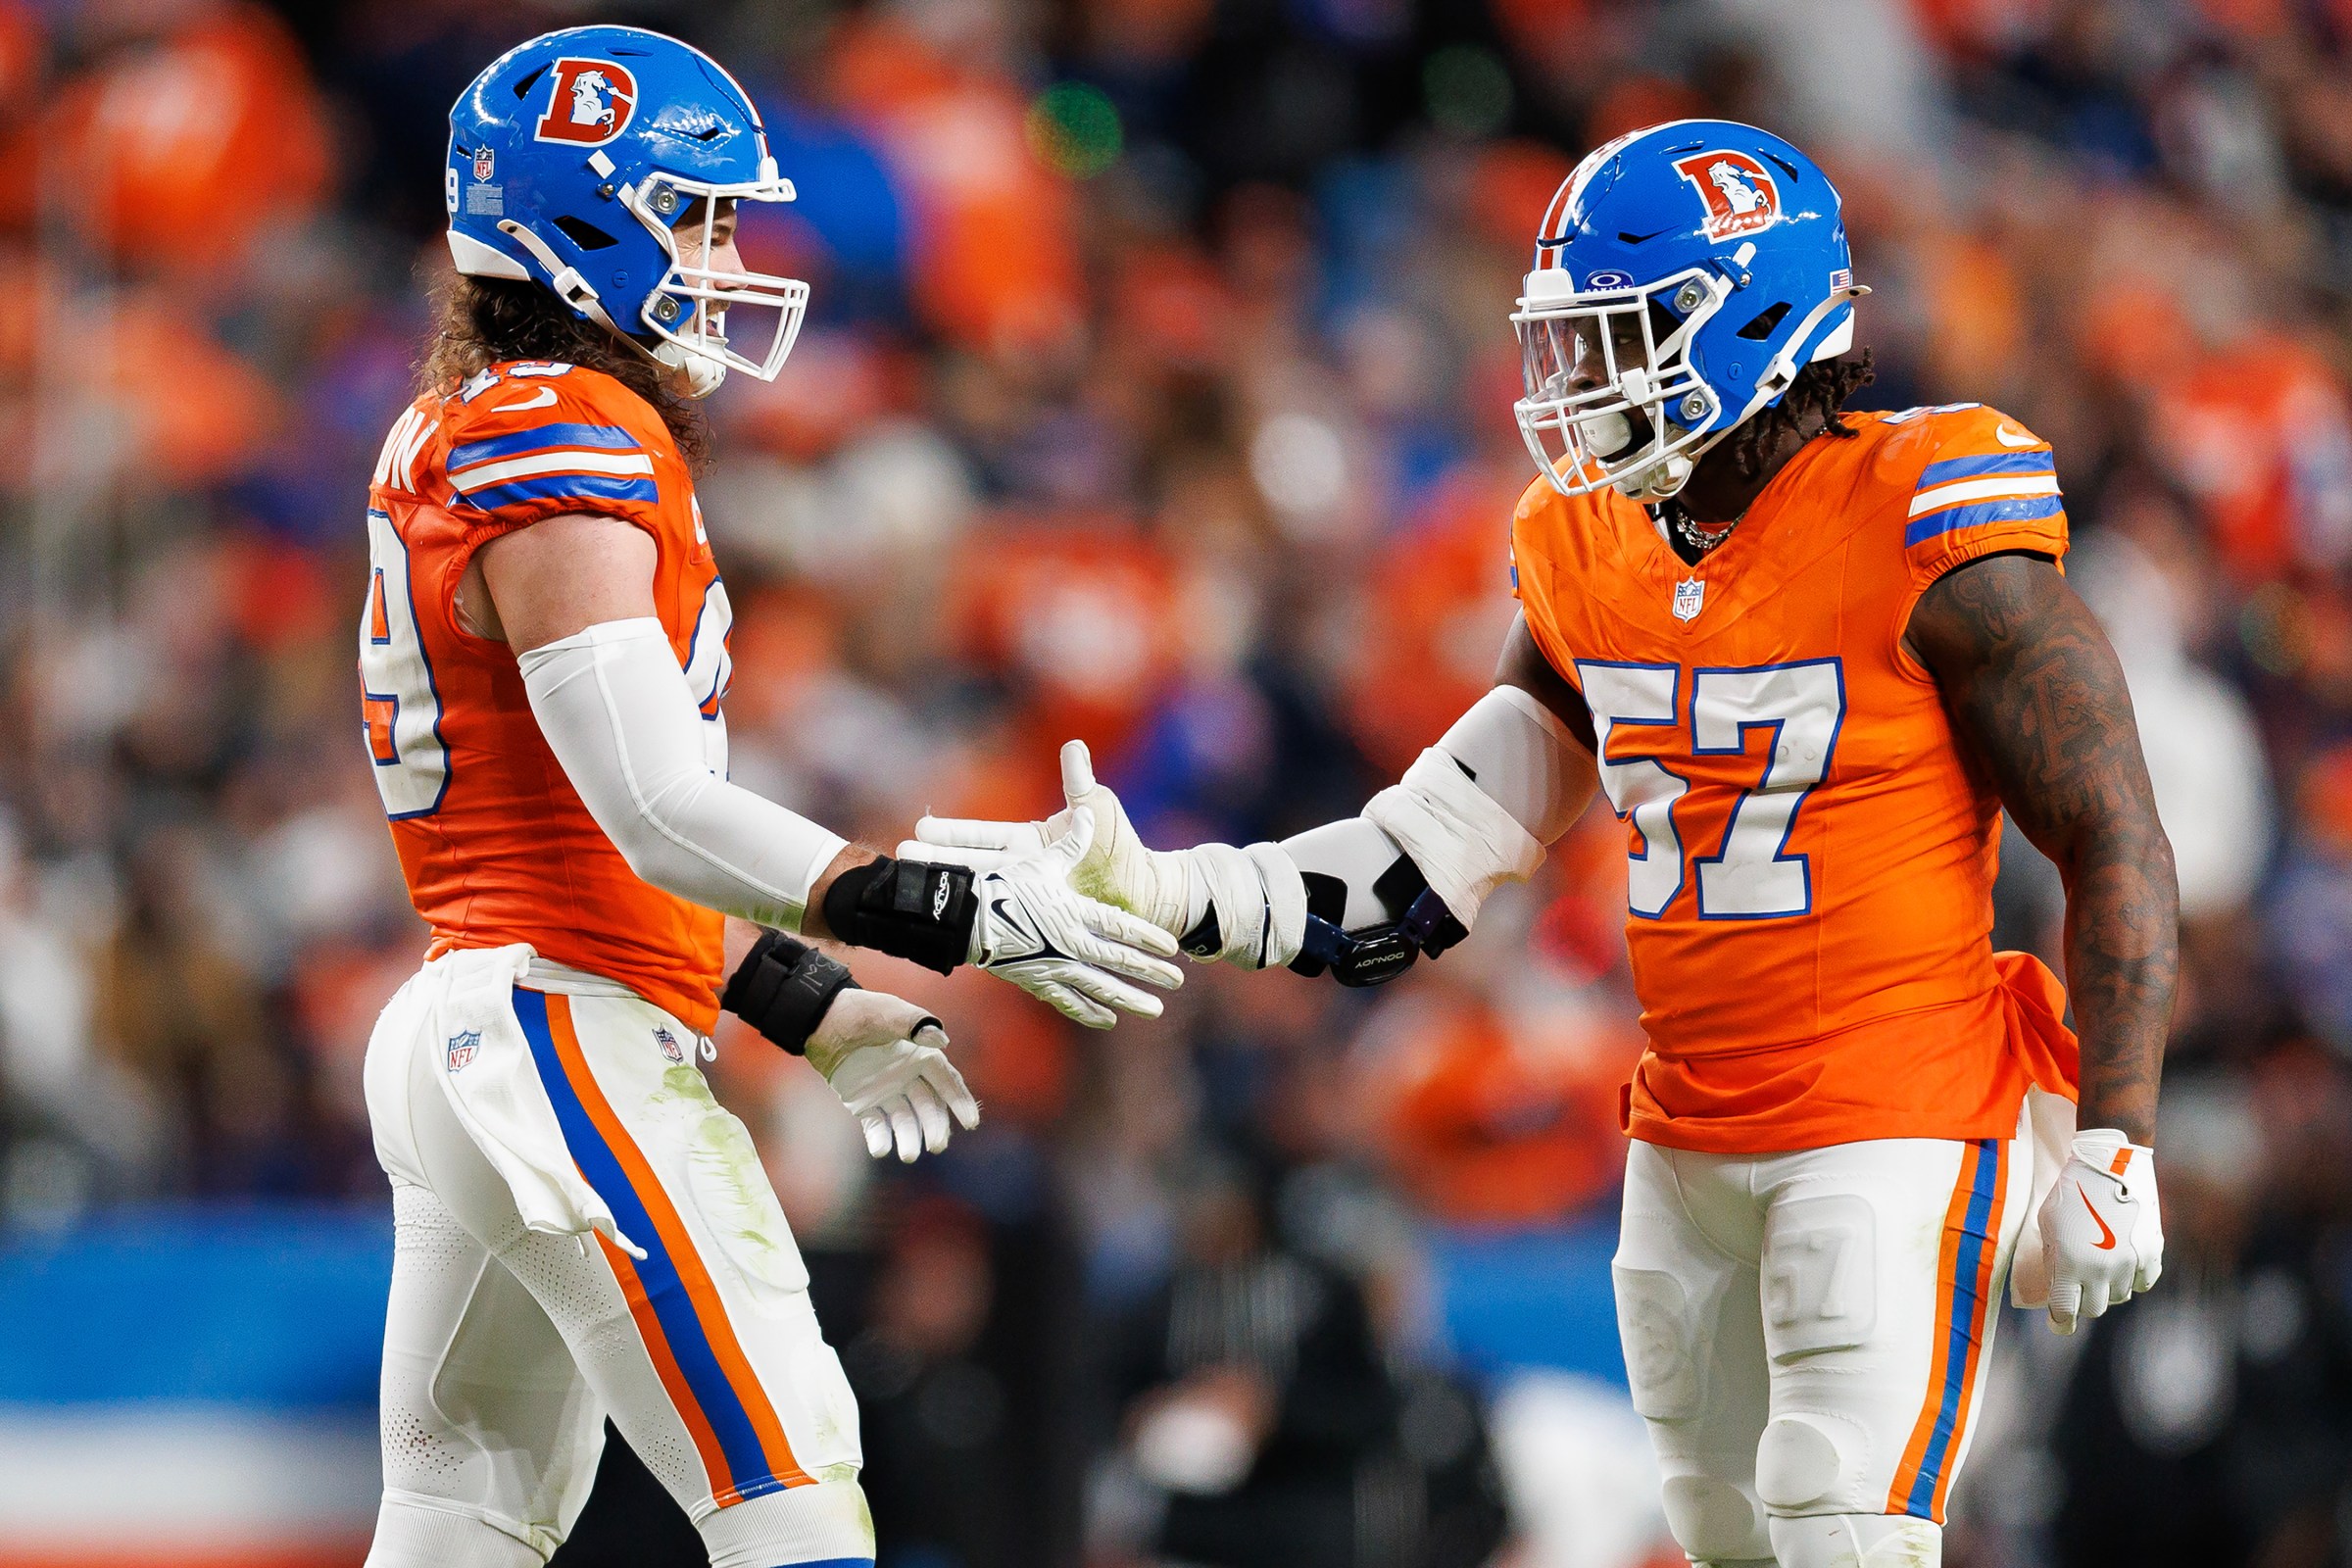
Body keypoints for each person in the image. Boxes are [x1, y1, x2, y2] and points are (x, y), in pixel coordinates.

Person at [910, 120, 2179, 1568]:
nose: (1576, 381)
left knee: (1844, 1532)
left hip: (1894, 1119)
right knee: (1724, 1542)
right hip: (1683, 1137)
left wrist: (2117, 1141)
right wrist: (1162, 887)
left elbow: (2113, 834)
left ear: (1752, 321)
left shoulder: (1923, 508)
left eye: (1616, 336)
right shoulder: (1591, 550)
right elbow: (1412, 874)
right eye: (1568, 340)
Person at [355, 26, 1183, 1568]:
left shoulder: (475, 425)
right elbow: (655, 804)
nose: (732, 255)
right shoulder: (555, 428)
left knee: (462, 1524)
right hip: (559, 1033)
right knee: (795, 1501)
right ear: (586, 219)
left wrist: (805, 997)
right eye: (700, 213)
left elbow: (578, 827)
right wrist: (940, 908)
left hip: (491, 1021)